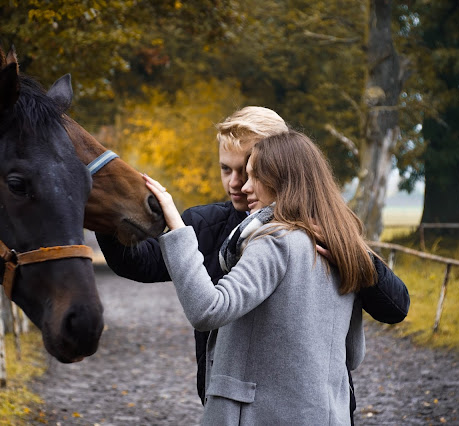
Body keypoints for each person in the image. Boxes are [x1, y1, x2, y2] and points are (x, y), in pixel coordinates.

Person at [95, 106, 410, 420]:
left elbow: (393, 309)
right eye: (225, 169)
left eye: (246, 171)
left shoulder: (320, 234)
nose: (235, 183)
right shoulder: (208, 225)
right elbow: (139, 263)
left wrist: (350, 252)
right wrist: (104, 209)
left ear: (277, 163)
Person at [144, 130, 374, 424]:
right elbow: (353, 354)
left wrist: (177, 229)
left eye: (255, 177)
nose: (244, 186)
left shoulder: (275, 241)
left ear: (283, 181)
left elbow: (208, 309)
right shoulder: (342, 246)